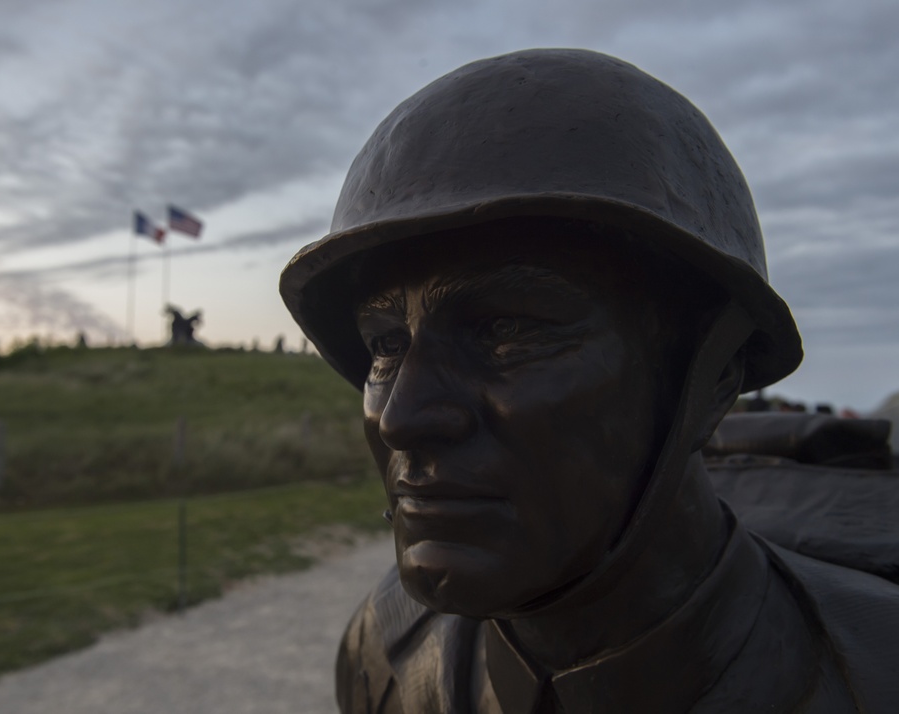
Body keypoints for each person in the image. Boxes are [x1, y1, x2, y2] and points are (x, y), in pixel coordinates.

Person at [279, 49, 899, 713]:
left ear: (716, 378)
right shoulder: (383, 656)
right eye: (385, 345)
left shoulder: (875, 672)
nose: (402, 419)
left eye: (508, 331)